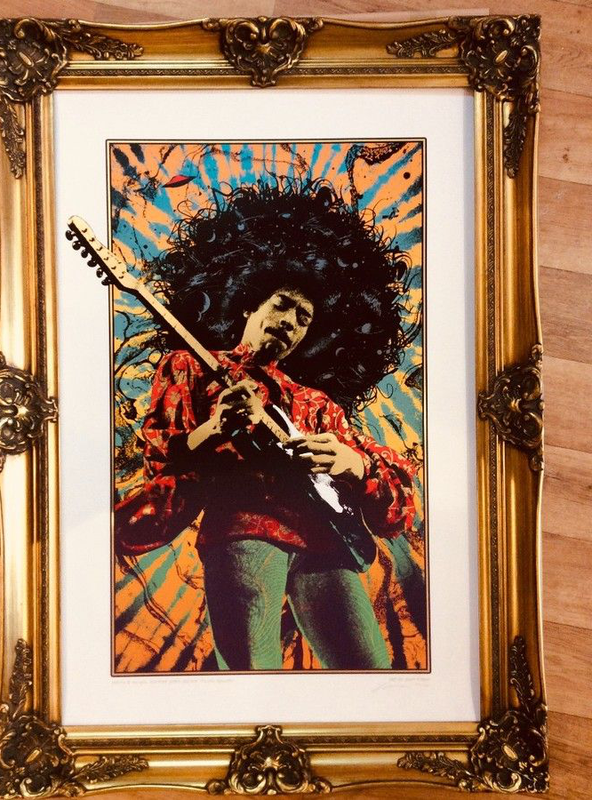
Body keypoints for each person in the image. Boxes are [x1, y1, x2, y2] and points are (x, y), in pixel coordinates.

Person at [116, 178, 423, 671]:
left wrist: (353, 463)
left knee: (370, 674)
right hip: (245, 529)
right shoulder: (190, 365)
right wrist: (215, 428)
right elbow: (161, 456)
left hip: (327, 542)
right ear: (249, 305)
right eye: (281, 304)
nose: (290, 320)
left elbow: (395, 501)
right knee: (251, 675)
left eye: (304, 318)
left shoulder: (318, 405)